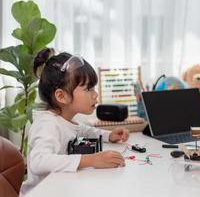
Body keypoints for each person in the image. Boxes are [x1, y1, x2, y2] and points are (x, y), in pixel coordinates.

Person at [20, 48, 130, 195]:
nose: (95, 94)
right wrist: (92, 160)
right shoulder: (47, 124)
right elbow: (39, 162)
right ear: (61, 96)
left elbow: (83, 130)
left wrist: (108, 135)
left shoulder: (65, 119)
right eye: (88, 88)